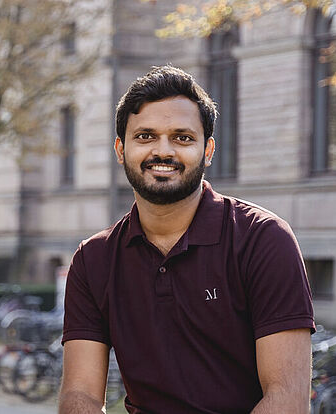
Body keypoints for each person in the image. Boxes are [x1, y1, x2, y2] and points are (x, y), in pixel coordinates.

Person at [58, 66, 314, 413]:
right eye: (145, 136)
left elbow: (287, 398)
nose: (163, 151)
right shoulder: (94, 260)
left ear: (208, 150)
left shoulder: (263, 240)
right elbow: (80, 394)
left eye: (182, 138)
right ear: (120, 149)